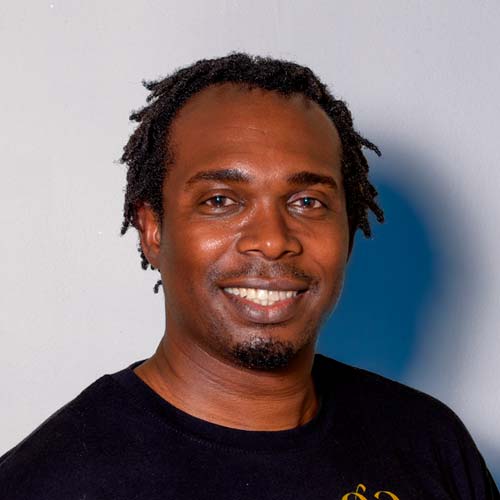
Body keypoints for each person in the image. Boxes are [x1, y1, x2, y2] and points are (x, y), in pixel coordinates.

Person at [0, 53, 498, 499]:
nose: (273, 239)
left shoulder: (428, 441)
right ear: (153, 230)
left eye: (308, 202)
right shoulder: (50, 481)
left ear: (347, 234)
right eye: (221, 201)